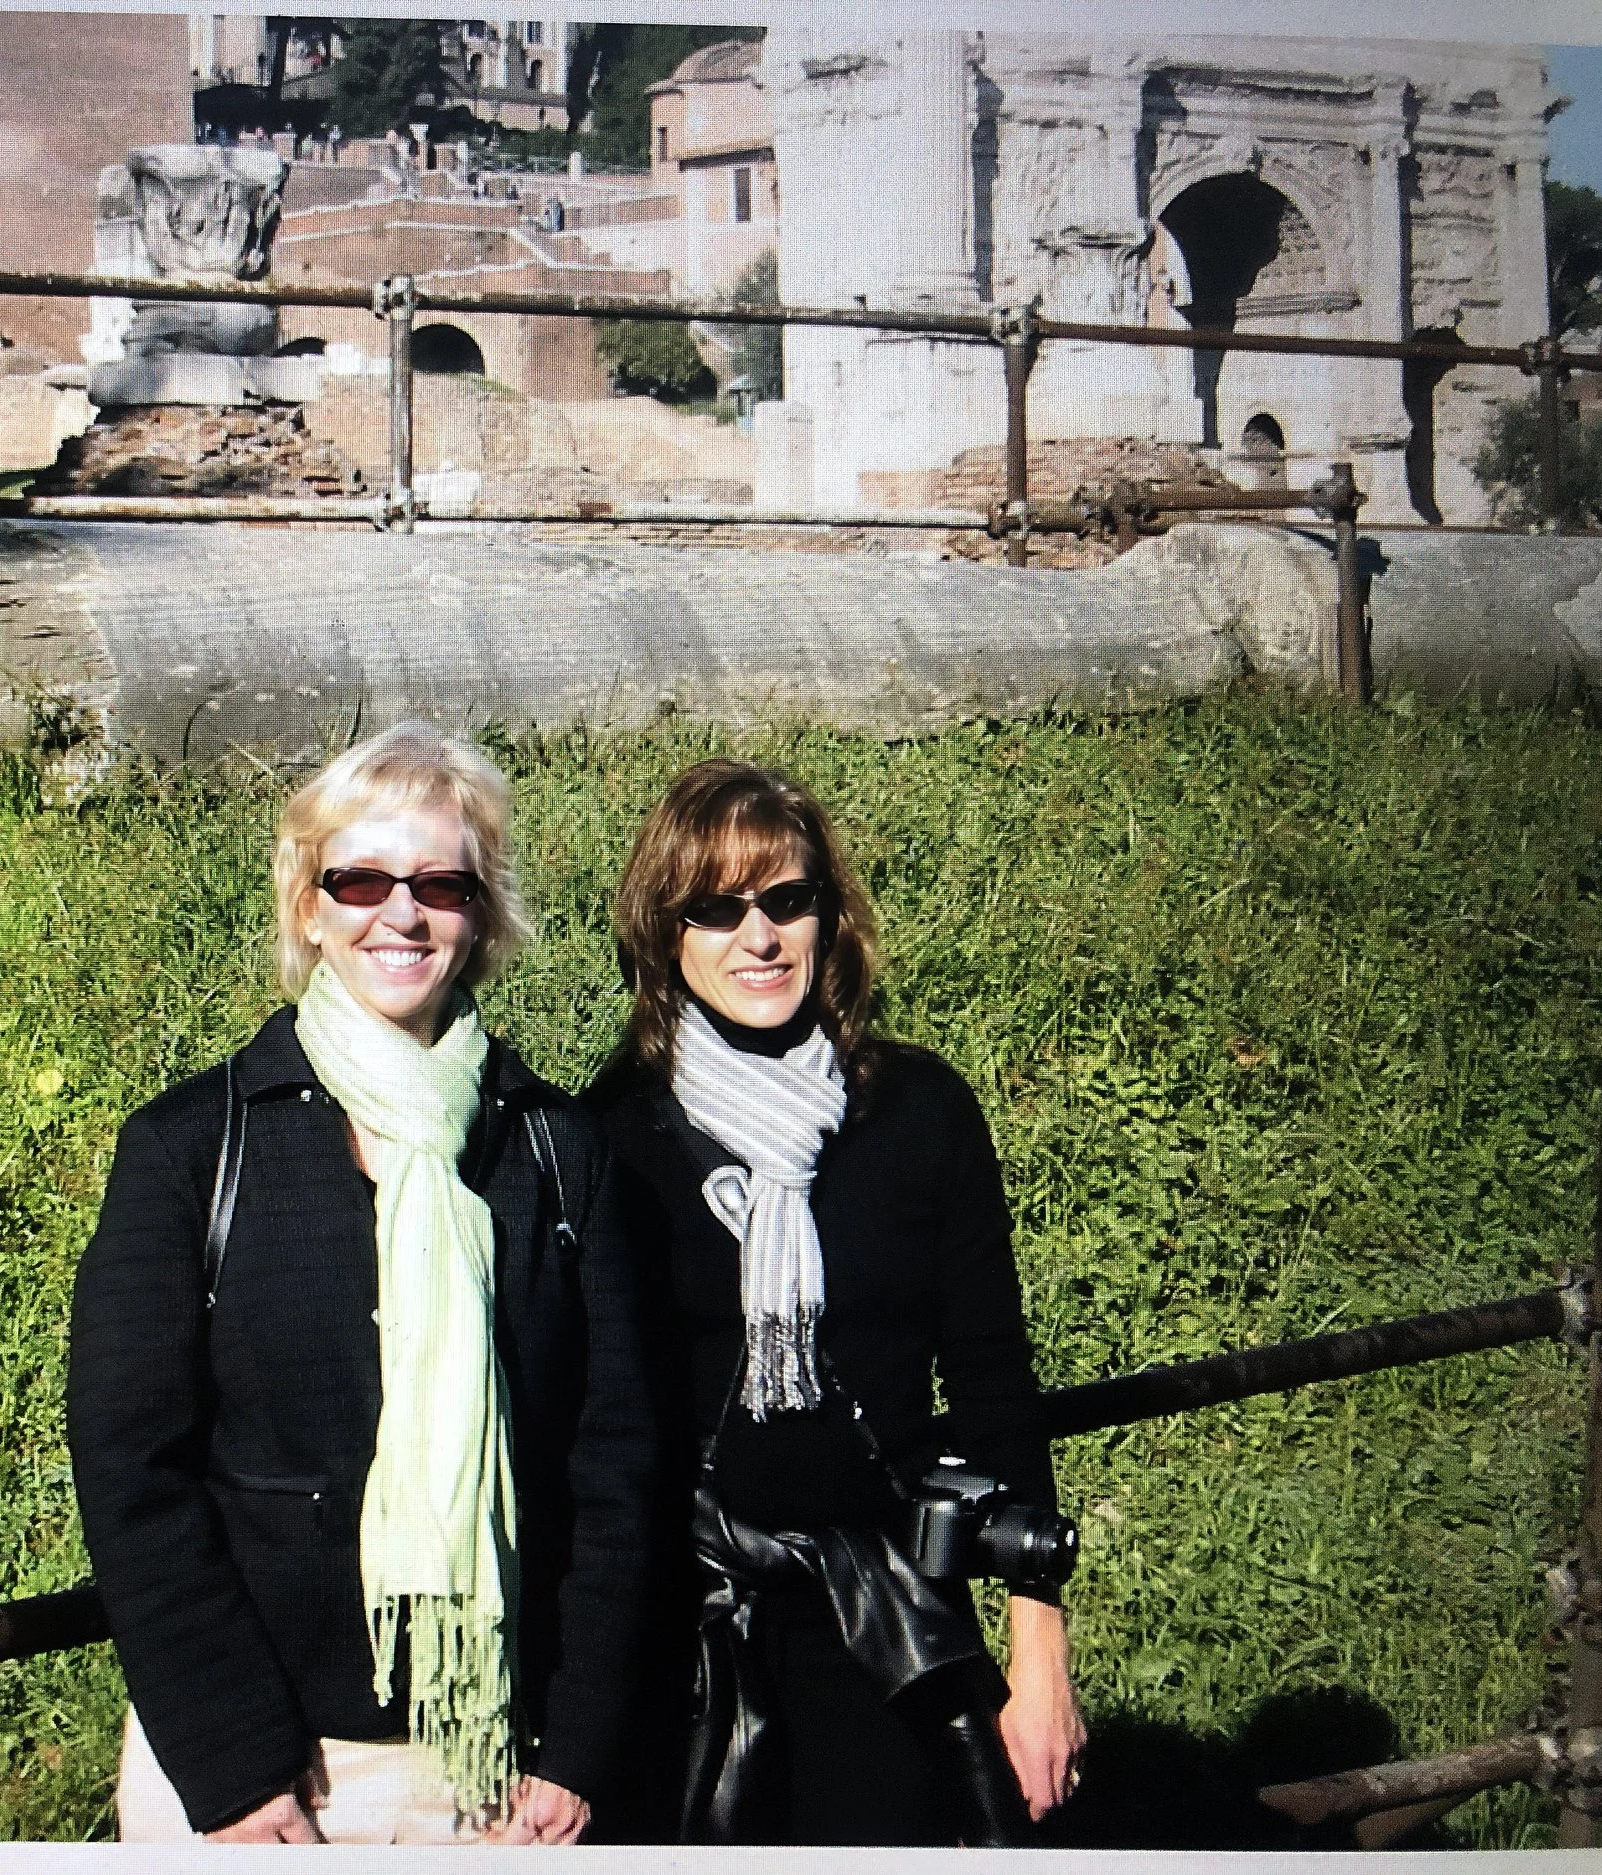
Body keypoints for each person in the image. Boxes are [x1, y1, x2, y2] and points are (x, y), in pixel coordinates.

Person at [66, 722, 651, 1845]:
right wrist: (236, 1770)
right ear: (308, 907)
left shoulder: (553, 1148)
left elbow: (615, 1463)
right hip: (268, 1775)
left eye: (440, 883)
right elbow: (132, 1469)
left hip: (498, 1767)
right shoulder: (194, 1147)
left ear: (480, 915)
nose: (402, 913)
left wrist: (578, 1742)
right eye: (361, 880)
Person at [584, 758, 1086, 1847]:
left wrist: (1038, 1654)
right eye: (716, 908)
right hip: (689, 1626)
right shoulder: (611, 1135)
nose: (758, 937)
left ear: (827, 915)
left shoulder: (920, 1112)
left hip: (889, 1618)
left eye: (786, 899)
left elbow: (995, 1382)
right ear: (665, 933)